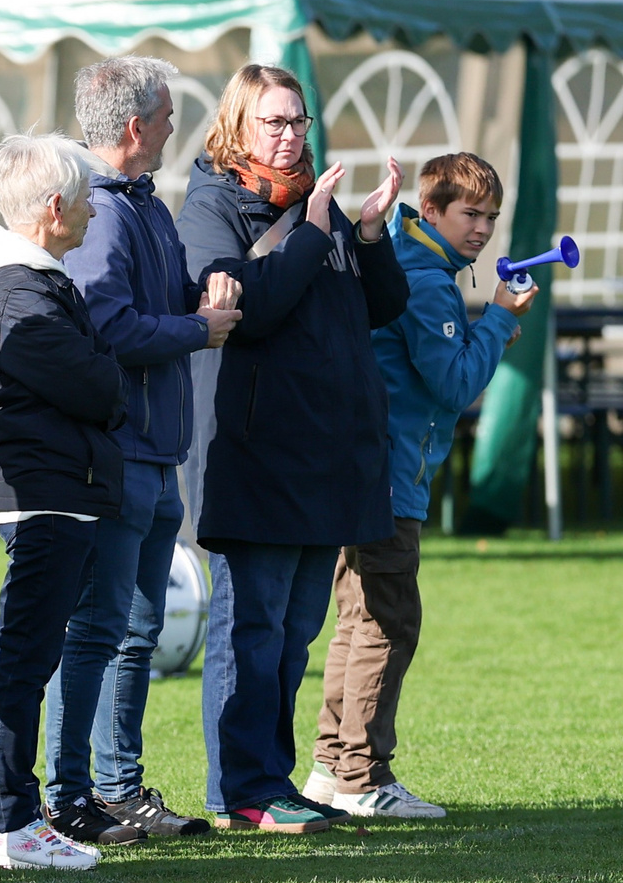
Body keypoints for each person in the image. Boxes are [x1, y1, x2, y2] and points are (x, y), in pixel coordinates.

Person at [179, 64, 407, 835]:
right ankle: (243, 789)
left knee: (295, 633)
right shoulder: (213, 204)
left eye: (298, 121)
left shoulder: (324, 205)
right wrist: (313, 228)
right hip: (255, 454)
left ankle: (271, 780)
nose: (289, 135)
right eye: (273, 122)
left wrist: (368, 232)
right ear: (237, 128)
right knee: (253, 629)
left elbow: (383, 306)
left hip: (330, 455)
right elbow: (256, 307)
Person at [303, 152, 530, 819]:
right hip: (388, 477)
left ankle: (330, 767)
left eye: (491, 217)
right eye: (470, 214)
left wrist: (486, 329)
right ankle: (363, 777)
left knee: (357, 620)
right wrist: (500, 319)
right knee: (389, 621)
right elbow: (455, 385)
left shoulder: (401, 260)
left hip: (363, 471)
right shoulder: (428, 281)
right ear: (430, 210)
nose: (483, 229)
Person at [53, 56, 241, 843]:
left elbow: (148, 307)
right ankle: (82, 793)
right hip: (123, 451)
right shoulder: (104, 208)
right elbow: (106, 326)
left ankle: (114, 786)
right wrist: (199, 327)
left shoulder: (143, 204)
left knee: (135, 632)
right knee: (102, 631)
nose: (173, 130)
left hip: (156, 451)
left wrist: (207, 295)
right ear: (136, 128)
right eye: (166, 118)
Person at [0, 137, 129, 870]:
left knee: (31, 655)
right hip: (43, 492)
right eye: (87, 196)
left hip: (58, 488)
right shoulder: (15, 289)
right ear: (53, 208)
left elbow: (95, 378)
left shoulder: (30, 282)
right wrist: (105, 378)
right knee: (23, 660)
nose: (94, 210)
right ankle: (12, 824)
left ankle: (17, 820)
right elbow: (99, 386)